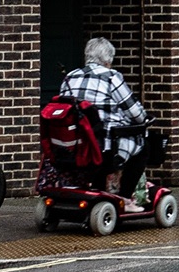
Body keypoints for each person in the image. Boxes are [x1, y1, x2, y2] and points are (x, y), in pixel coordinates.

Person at [58, 37, 152, 205]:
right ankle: (125, 198)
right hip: (104, 150)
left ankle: (98, 190)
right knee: (142, 146)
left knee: (96, 136)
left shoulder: (70, 78)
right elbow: (136, 114)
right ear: (108, 59)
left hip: (73, 148)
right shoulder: (111, 77)